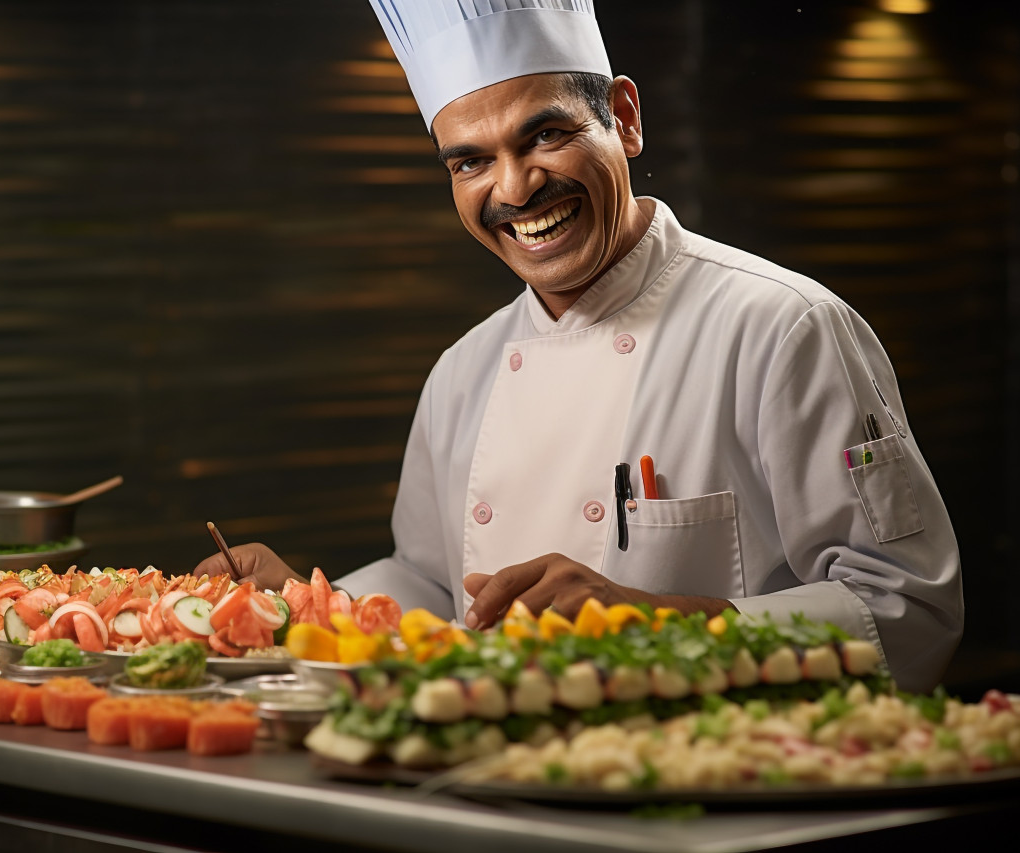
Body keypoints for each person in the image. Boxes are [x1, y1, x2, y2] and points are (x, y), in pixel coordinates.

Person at [193, 0, 962, 692]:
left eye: (546, 135)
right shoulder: (461, 371)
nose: (514, 188)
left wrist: (648, 621)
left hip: (706, 782)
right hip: (495, 773)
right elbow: (434, 588)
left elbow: (908, 609)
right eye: (471, 161)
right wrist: (303, 605)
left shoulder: (783, 327)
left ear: (624, 118)